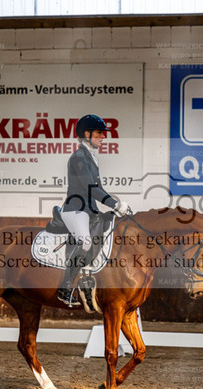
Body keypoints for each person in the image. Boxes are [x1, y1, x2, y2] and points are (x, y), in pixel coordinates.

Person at [58, 114, 130, 307]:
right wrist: (114, 204)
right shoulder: (78, 157)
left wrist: (116, 206)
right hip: (75, 210)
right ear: (86, 134)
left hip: (89, 210)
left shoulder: (90, 156)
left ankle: (87, 280)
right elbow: (90, 188)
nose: (103, 137)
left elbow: (99, 189)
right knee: (86, 242)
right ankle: (65, 287)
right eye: (99, 133)